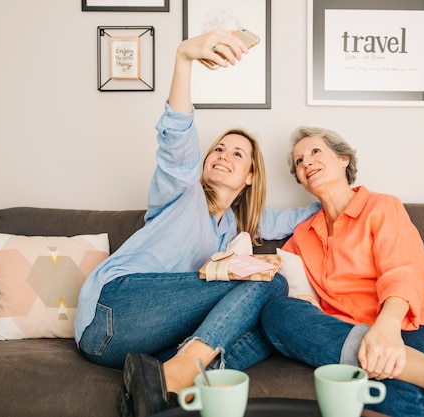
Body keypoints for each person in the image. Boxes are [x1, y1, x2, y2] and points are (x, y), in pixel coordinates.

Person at [74, 32, 319, 417]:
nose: (223, 155)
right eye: (218, 148)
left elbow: (303, 216)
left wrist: (334, 181)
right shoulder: (182, 192)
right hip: (113, 313)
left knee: (269, 325)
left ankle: (158, 383)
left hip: (146, 346)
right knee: (269, 281)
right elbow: (176, 139)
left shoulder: (240, 224)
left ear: (250, 177)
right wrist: (184, 58)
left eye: (237, 154)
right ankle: (175, 378)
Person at [261, 126, 424, 417]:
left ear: (343, 159)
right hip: (354, 335)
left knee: (383, 402)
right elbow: (283, 281)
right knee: (276, 312)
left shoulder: (381, 206)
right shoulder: (302, 235)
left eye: (315, 152)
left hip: (415, 325)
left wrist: (387, 328)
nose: (306, 163)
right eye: (299, 161)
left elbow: (403, 268)